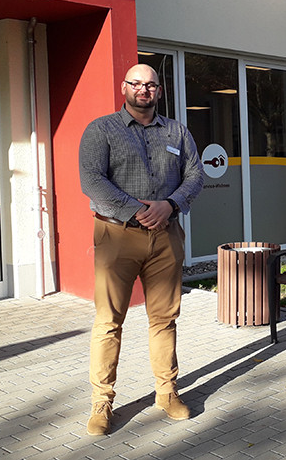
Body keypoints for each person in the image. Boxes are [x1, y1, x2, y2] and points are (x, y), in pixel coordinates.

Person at [79, 64, 204, 435]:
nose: (143, 90)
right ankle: (102, 402)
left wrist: (170, 204)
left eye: (150, 85)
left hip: (166, 235)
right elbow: (91, 179)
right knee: (108, 321)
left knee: (164, 318)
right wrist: (137, 209)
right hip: (117, 236)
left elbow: (195, 175)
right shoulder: (101, 129)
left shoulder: (176, 131)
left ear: (159, 91)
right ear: (124, 88)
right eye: (136, 83)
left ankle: (167, 392)